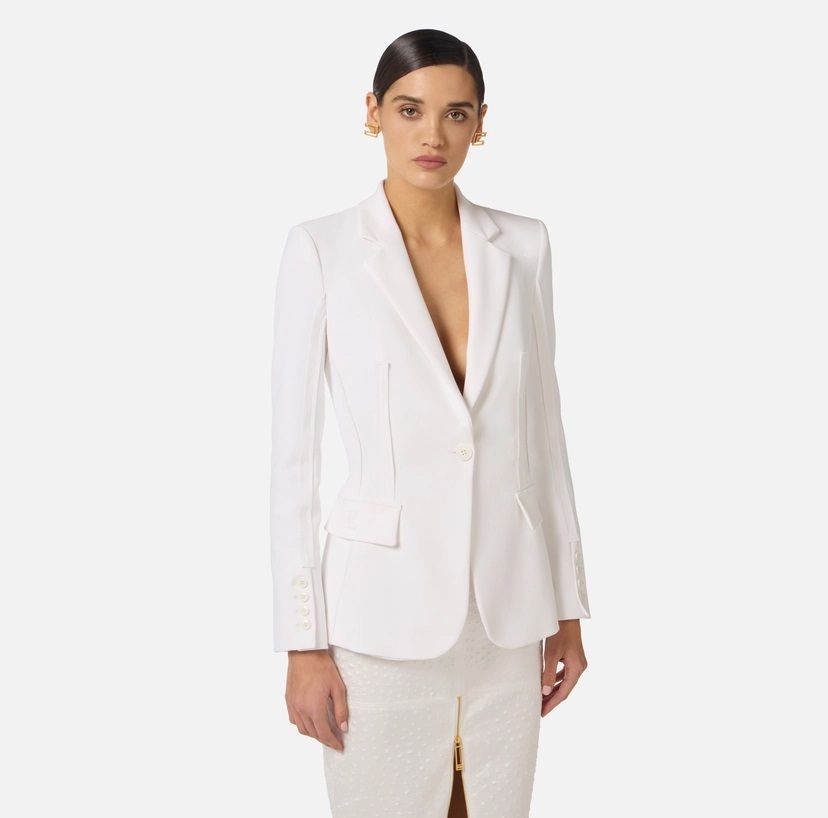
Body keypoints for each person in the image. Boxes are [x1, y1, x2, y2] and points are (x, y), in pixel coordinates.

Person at [270, 28, 592, 818]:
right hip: (379, 620)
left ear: (480, 123)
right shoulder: (322, 250)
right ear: (373, 112)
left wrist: (568, 609)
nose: (433, 135)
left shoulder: (523, 246)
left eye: (456, 114)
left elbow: (543, 438)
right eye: (410, 110)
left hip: (505, 619)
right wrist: (303, 642)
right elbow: (293, 463)